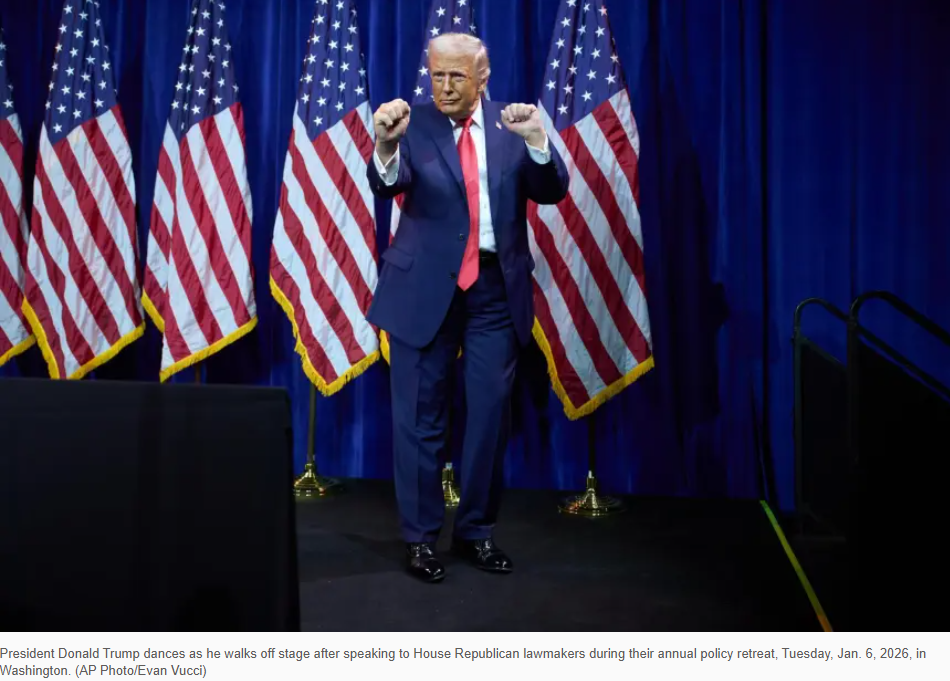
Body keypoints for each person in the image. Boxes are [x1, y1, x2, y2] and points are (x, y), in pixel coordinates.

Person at [366, 33, 569, 583]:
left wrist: (538, 142)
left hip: (493, 293)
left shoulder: (512, 126)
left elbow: (552, 190)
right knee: (418, 420)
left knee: (488, 418)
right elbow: (387, 184)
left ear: (483, 77)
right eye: (437, 75)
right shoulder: (411, 124)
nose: (445, 87)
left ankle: (476, 531)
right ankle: (419, 539)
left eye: (457, 76)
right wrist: (385, 147)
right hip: (423, 291)